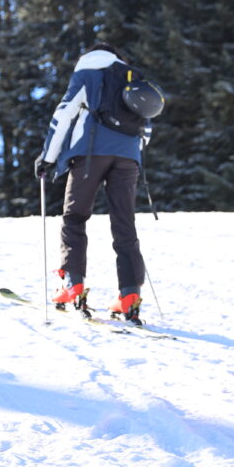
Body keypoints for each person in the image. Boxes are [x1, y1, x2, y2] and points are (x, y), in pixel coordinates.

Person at [34, 41, 163, 324]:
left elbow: (64, 114)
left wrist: (48, 157)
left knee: (75, 217)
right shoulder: (132, 77)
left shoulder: (87, 73)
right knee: (124, 223)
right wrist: (132, 153)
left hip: (89, 153)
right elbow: (147, 121)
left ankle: (72, 286)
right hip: (128, 157)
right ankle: (129, 295)